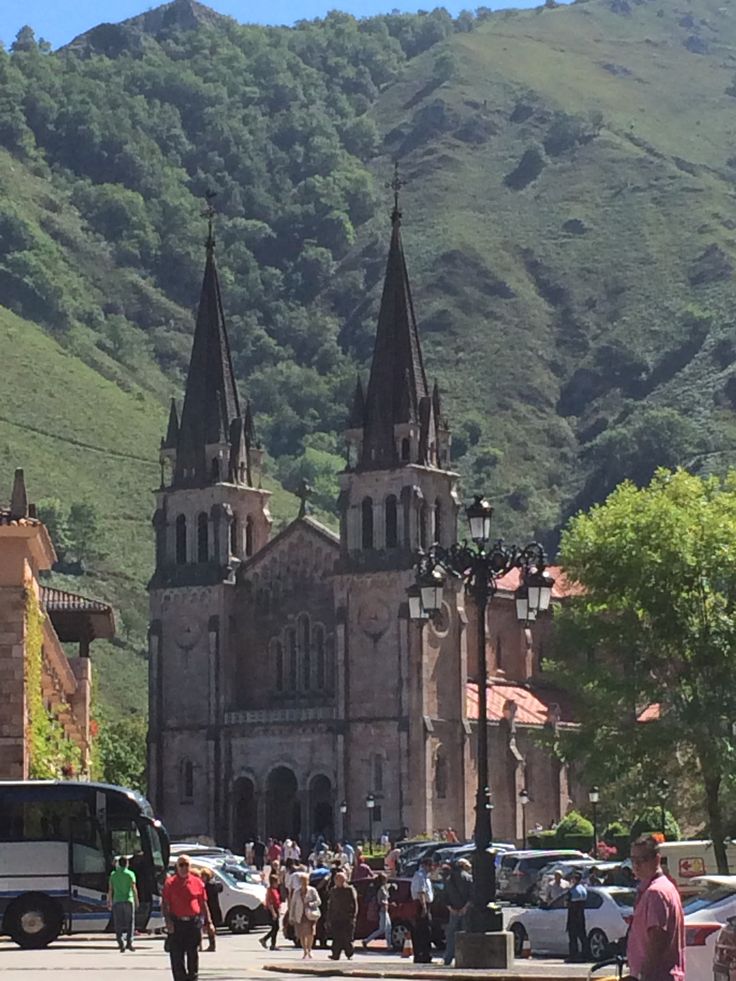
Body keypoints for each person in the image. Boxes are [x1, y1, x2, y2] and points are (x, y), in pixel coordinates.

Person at [627, 835, 685, 981]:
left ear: (657, 859)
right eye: (633, 860)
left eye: (642, 860)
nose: (636, 865)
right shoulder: (663, 887)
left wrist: (642, 975)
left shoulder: (656, 892)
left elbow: (657, 939)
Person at [162, 854, 213, 981]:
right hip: (177, 924)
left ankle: (193, 978)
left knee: (193, 954)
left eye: (186, 865)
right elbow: (165, 904)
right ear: (177, 867)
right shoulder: (170, 883)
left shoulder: (197, 883)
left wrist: (209, 922)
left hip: (193, 923)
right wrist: (168, 921)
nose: (184, 868)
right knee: (177, 956)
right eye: (181, 865)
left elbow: (203, 903)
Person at [444, 859, 472, 966]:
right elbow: (472, 895)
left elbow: (445, 897)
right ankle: (464, 958)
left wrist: (451, 909)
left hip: (453, 911)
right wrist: (465, 908)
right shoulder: (468, 878)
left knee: (451, 936)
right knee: (465, 934)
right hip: (466, 910)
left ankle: (448, 958)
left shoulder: (448, 879)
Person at [107, 855, 139, 952]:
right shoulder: (130, 874)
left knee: (118, 923)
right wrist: (136, 900)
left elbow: (110, 890)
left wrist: (109, 901)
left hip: (117, 901)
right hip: (128, 900)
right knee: (130, 922)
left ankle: (120, 943)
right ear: (127, 864)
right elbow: (134, 888)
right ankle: (129, 942)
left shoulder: (113, 874)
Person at [288, 870, 321, 959]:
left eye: (305, 881)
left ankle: (310, 949)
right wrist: (291, 916)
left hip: (310, 914)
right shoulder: (297, 892)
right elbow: (293, 904)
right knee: (302, 934)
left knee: (310, 933)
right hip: (300, 914)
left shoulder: (312, 890)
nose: (304, 883)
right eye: (302, 881)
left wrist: (310, 904)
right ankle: (305, 950)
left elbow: (318, 901)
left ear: (308, 881)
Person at [327, 870, 358, 960]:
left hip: (347, 917)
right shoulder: (333, 890)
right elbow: (331, 905)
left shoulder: (349, 889)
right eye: (336, 879)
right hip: (336, 917)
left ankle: (349, 953)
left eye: (339, 879)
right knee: (336, 937)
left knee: (347, 936)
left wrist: (353, 916)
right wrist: (329, 918)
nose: (337, 881)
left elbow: (354, 903)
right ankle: (335, 954)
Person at [410, 857, 434, 964]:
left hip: (426, 905)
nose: (432, 868)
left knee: (426, 931)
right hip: (421, 905)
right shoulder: (420, 876)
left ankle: (425, 954)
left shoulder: (425, 876)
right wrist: (424, 907)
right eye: (430, 866)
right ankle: (422, 955)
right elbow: (421, 892)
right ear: (425, 865)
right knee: (423, 931)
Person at [362, 873, 392, 949]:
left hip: (385, 910)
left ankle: (389, 945)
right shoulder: (380, 889)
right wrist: (386, 903)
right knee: (382, 929)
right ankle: (366, 940)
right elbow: (380, 901)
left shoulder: (384, 888)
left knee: (388, 927)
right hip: (382, 910)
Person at [566, 871, 588, 963]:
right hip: (581, 916)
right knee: (583, 937)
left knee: (573, 937)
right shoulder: (583, 889)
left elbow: (568, 904)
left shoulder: (572, 891)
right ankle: (585, 955)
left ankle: (573, 956)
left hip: (573, 915)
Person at [198, 868, 222, 952]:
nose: (202, 878)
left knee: (209, 927)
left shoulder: (208, 886)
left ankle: (212, 945)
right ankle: (211, 945)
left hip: (211, 908)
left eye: (204, 876)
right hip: (212, 907)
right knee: (208, 927)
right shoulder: (212, 885)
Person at [260, 873, 282, 951]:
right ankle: (265, 940)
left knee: (275, 928)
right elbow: (270, 903)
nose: (278, 883)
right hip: (272, 910)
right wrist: (273, 913)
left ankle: (272, 944)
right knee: (276, 927)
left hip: (276, 909)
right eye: (277, 882)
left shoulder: (275, 890)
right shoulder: (271, 891)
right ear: (273, 882)